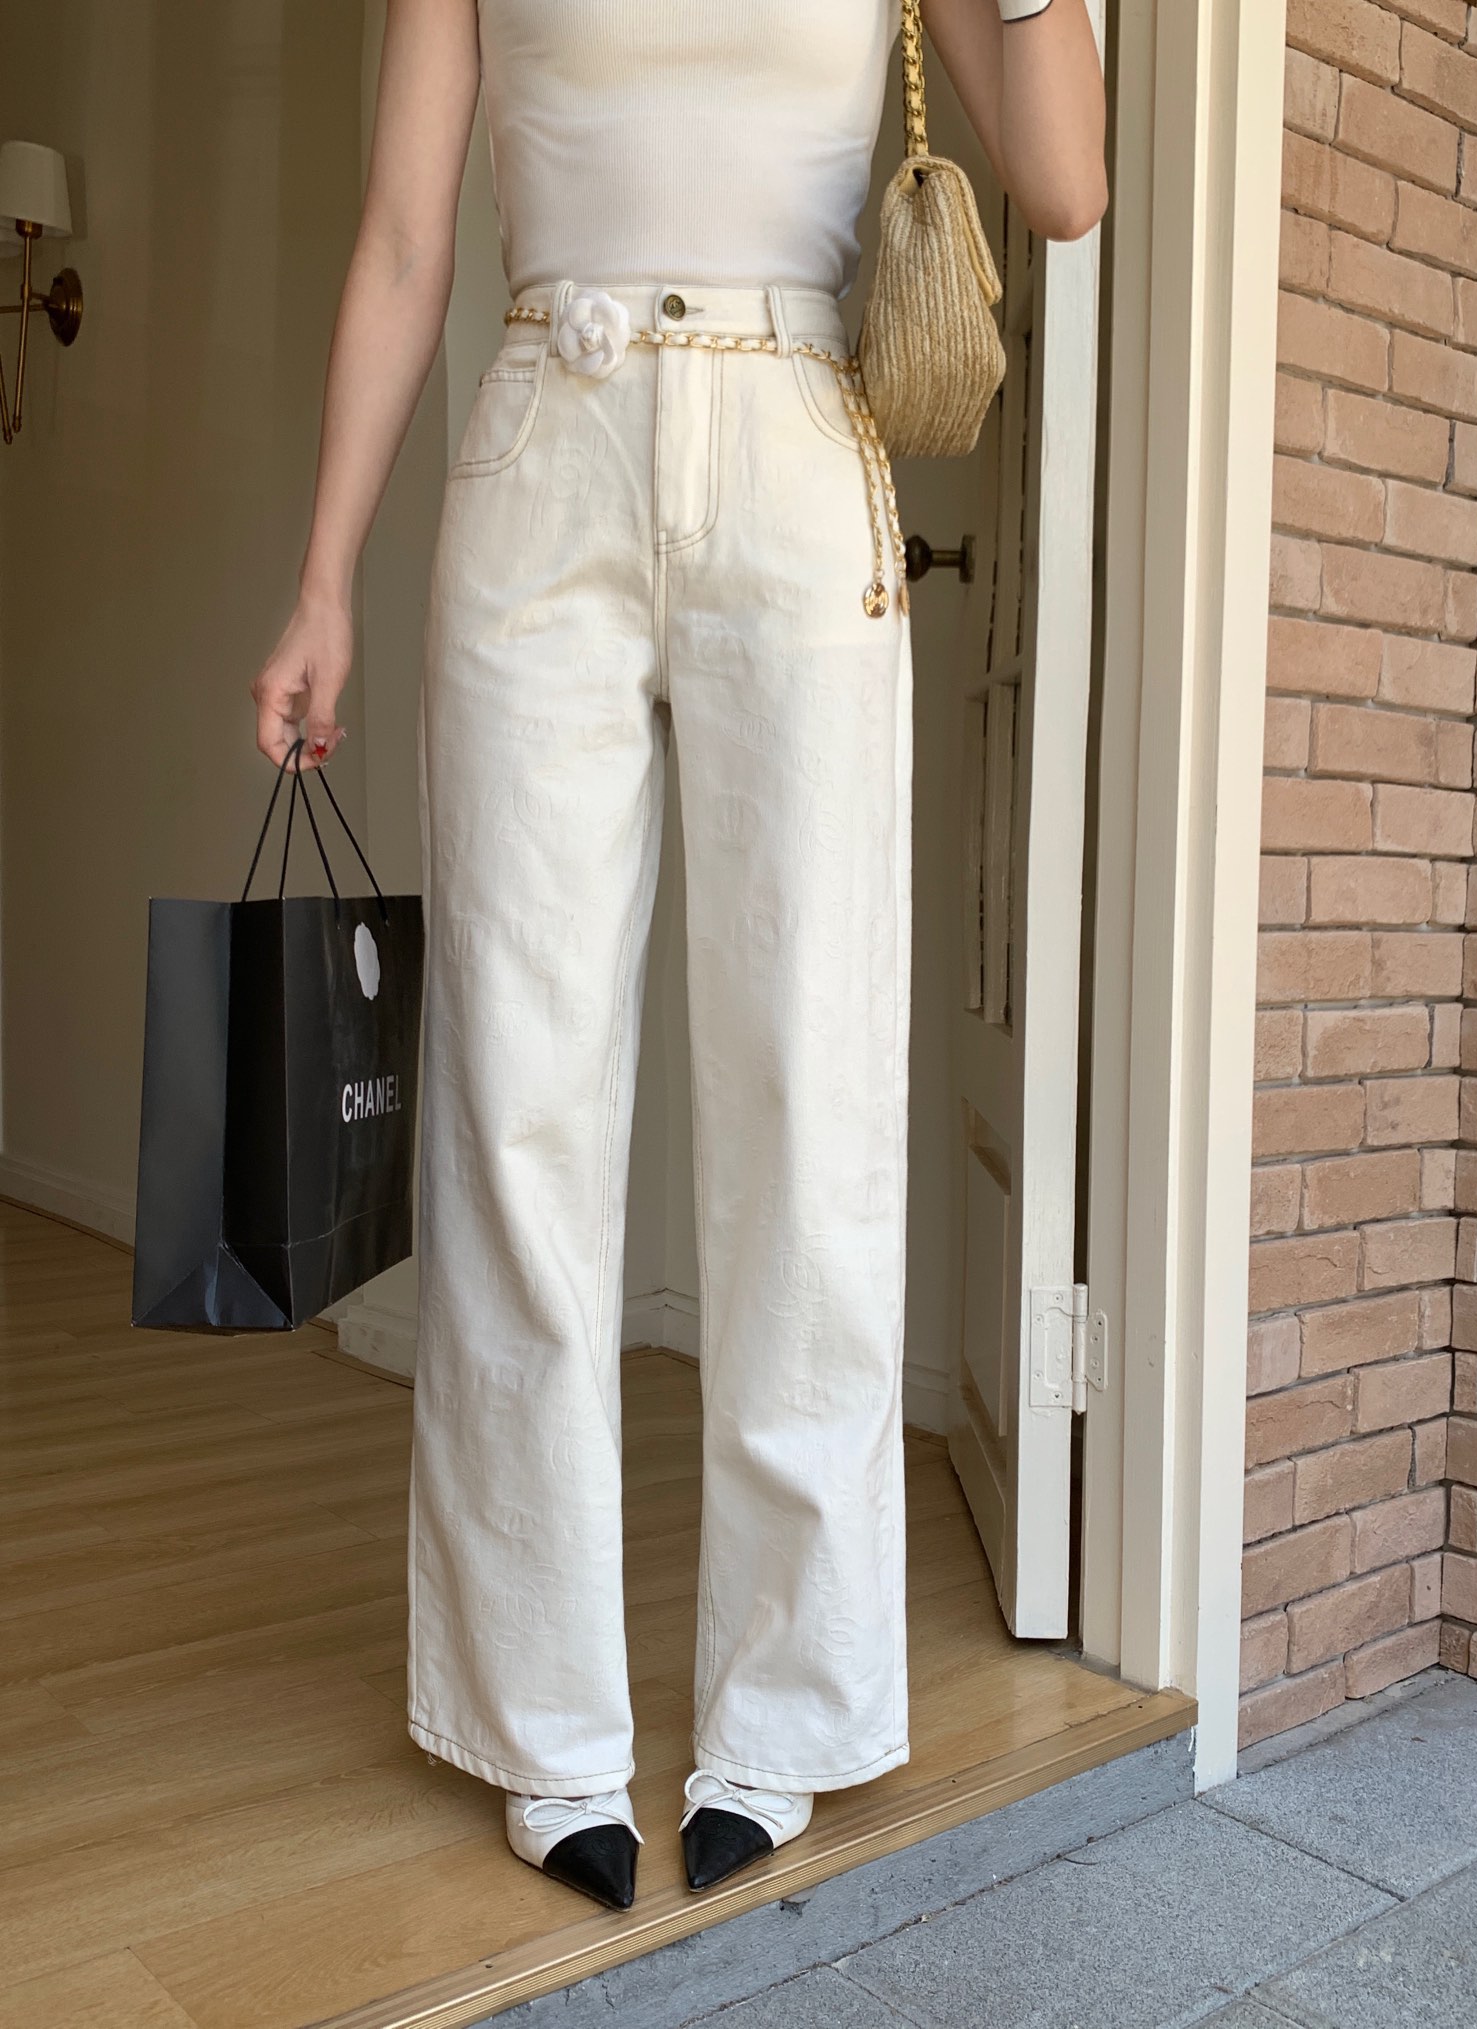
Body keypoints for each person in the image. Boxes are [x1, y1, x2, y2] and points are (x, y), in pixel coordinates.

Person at [251, 0, 1106, 1914]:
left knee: (810, 1087)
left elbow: (1065, 184)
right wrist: (324, 579)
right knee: (518, 1098)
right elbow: (403, 236)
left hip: (799, 448)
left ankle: (784, 1709)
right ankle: (540, 1721)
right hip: (540, 444)